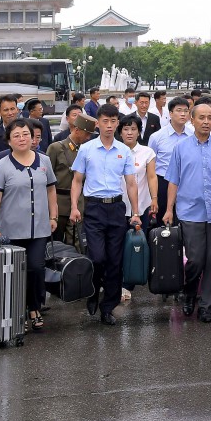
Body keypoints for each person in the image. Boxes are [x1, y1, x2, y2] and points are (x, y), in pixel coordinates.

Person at [70, 104, 142, 325]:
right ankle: (93, 291)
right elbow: (77, 180)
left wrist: (136, 212)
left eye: (113, 122)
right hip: (94, 209)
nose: (109, 126)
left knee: (115, 261)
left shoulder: (123, 151)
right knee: (97, 257)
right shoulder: (87, 149)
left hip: (116, 208)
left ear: (117, 124)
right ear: (98, 123)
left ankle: (108, 307)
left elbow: (131, 183)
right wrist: (74, 206)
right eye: (105, 122)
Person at [162, 103, 211, 322]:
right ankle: (190, 293)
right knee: (195, 260)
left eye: (210, 117)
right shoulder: (181, 148)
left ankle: (207, 305)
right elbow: (173, 180)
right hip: (191, 213)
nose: (206, 122)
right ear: (192, 120)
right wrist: (168, 209)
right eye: (201, 117)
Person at [0, 119, 57, 331]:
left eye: (25, 134)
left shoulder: (44, 161)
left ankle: (34, 307)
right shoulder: (1, 166)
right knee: (15, 272)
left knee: (36, 268)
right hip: (11, 230)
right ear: (8, 141)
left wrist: (53, 216)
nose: (22, 138)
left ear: (33, 137)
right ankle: (17, 311)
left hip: (39, 228)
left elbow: (50, 190)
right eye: (16, 135)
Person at [48, 114, 96, 248]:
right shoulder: (56, 148)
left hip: (79, 203)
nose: (88, 137)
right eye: (87, 134)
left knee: (77, 242)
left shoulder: (87, 150)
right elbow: (47, 178)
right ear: (77, 130)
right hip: (59, 202)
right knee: (56, 243)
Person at [148, 97, 194, 220]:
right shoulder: (157, 137)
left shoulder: (193, 136)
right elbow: (151, 165)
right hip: (164, 182)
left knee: (186, 219)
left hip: (186, 181)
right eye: (179, 110)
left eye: (186, 111)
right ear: (171, 113)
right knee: (164, 222)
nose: (183, 114)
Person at [118, 114, 157, 237]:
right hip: (119, 205)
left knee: (139, 242)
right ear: (120, 133)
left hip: (142, 205)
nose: (129, 133)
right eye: (125, 129)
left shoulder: (147, 152)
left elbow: (151, 177)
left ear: (139, 132)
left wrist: (154, 199)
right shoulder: (114, 151)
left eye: (133, 129)